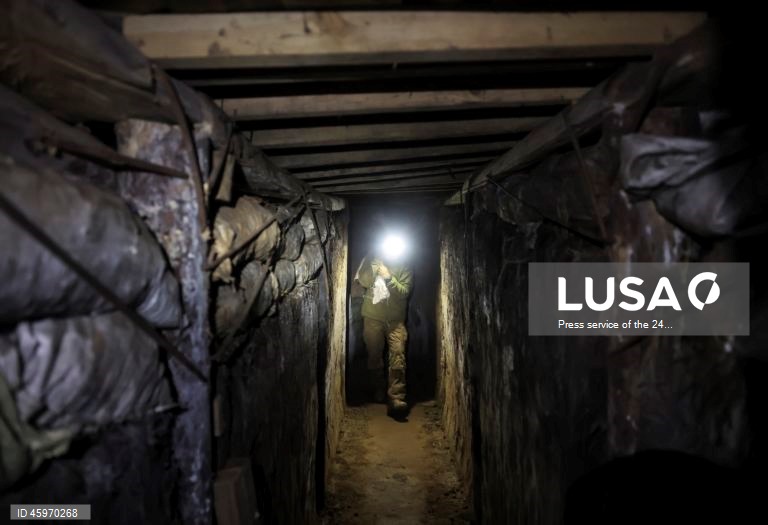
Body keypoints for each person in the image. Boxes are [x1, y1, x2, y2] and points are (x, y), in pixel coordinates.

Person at [355, 251, 413, 417]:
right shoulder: (372, 259)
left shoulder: (405, 264)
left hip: (395, 321)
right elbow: (364, 281)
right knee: (374, 355)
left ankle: (396, 397)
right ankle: (378, 389)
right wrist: (374, 263)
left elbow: (404, 292)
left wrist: (389, 278)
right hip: (373, 318)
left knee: (398, 355)